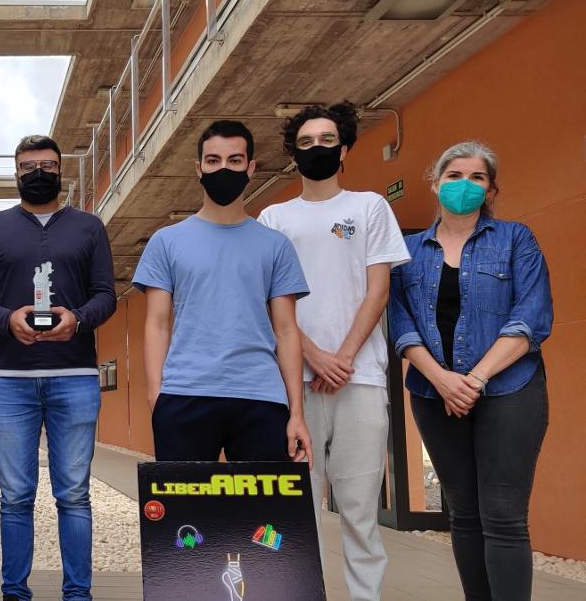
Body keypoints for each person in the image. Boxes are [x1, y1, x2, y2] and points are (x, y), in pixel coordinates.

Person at [388, 141, 552, 601]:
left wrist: (475, 379)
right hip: (434, 392)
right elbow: (400, 322)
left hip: (510, 390)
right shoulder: (406, 252)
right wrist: (442, 379)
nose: (465, 185)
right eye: (454, 175)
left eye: (477, 177)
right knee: (462, 513)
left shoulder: (516, 240)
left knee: (503, 515)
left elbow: (531, 318)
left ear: (491, 189)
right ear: (435, 183)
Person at [257, 104, 409, 600]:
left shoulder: (369, 207)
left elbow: (378, 291)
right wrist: (314, 356)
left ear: (343, 150)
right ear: (293, 154)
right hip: (293, 384)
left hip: (359, 378)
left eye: (326, 140)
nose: (316, 149)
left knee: (360, 510)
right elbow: (270, 302)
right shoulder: (273, 218)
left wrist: (341, 357)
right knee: (298, 510)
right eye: (305, 142)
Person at [0, 134, 117, 601]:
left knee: (74, 495)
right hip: (10, 379)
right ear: (15, 172)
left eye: (48, 165)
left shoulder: (89, 227)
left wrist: (79, 319)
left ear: (61, 170)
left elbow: (106, 295)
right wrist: (7, 320)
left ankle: (78, 595)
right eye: (28, 166)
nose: (38, 173)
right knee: (15, 496)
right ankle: (15, 592)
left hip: (75, 375)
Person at [134, 120, 312, 466]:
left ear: (251, 168)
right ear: (198, 168)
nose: (223, 168)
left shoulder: (275, 246)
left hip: (261, 397)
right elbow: (156, 324)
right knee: (185, 504)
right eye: (213, 160)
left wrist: (297, 413)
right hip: (184, 394)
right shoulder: (165, 242)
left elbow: (286, 330)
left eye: (234, 160)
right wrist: (157, 397)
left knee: (263, 504)